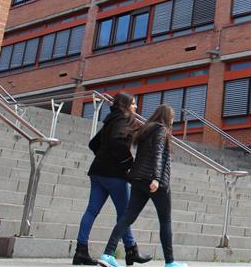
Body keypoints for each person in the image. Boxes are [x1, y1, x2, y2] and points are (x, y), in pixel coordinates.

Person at [98, 104, 186, 267]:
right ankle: (170, 262)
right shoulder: (161, 130)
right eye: (173, 118)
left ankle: (107, 254)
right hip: (155, 181)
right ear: (167, 118)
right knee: (165, 221)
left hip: (138, 179)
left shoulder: (146, 130)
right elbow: (158, 154)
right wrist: (156, 179)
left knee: (128, 217)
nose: (173, 121)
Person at [74, 93, 151, 265]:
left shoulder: (110, 119)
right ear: (125, 105)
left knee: (91, 211)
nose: (136, 107)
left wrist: (104, 157)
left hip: (97, 172)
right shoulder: (125, 118)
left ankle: (80, 251)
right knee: (125, 214)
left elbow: (93, 144)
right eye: (133, 103)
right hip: (115, 175)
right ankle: (131, 251)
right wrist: (128, 163)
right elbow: (117, 140)